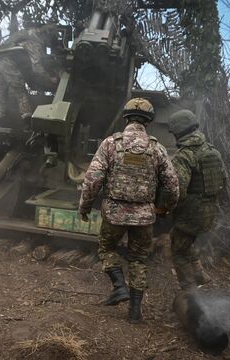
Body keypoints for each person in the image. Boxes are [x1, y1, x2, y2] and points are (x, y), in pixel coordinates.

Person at [79, 98, 179, 323]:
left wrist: (85, 207)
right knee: (138, 259)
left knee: (106, 248)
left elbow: (92, 180)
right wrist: (165, 208)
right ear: (149, 122)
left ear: (126, 118)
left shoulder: (110, 144)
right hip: (144, 217)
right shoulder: (157, 149)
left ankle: (118, 286)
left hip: (114, 213)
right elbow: (173, 185)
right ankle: (134, 312)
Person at [168, 109, 226, 290]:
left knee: (178, 252)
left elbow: (178, 190)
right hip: (209, 212)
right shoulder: (213, 152)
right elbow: (223, 181)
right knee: (182, 239)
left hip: (190, 213)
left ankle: (189, 293)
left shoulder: (184, 155)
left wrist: (164, 207)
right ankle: (200, 273)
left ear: (178, 132)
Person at [0, 23, 60, 123]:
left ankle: (0, 120)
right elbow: (37, 67)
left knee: (1, 94)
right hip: (9, 63)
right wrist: (50, 79)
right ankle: (27, 120)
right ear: (47, 35)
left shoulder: (26, 33)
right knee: (20, 91)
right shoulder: (35, 41)